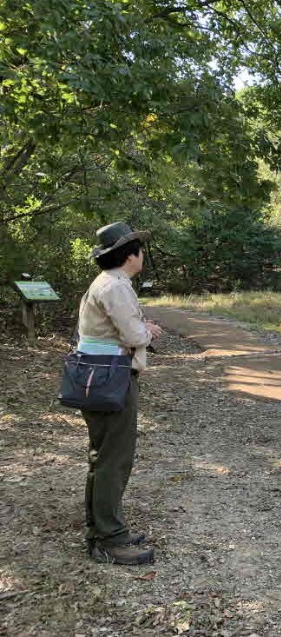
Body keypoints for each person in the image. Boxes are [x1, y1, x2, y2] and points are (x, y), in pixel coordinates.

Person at [78, 222, 162, 565]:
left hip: (97, 376)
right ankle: (109, 538)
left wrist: (141, 331)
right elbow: (133, 335)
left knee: (102, 455)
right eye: (139, 250)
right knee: (115, 457)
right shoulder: (116, 287)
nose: (142, 255)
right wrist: (150, 331)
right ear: (130, 255)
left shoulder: (105, 283)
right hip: (112, 377)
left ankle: (102, 529)